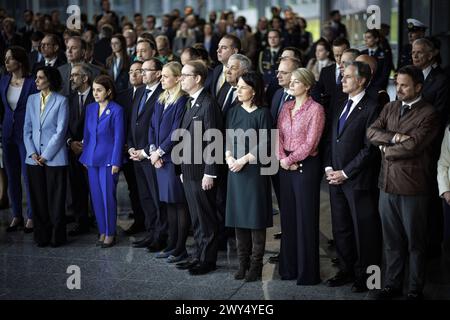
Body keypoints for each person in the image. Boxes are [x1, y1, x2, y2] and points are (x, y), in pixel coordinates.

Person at [367, 65, 440, 300]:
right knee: (391, 241)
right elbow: (371, 132)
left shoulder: (429, 113)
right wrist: (395, 138)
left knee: (415, 243)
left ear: (418, 86)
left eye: (404, 85)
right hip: (386, 185)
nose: (399, 88)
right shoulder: (390, 107)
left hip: (413, 187)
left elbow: (414, 146)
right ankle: (391, 285)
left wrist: (385, 149)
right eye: (397, 84)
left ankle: (414, 290)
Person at [324, 61, 381, 292]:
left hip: (357, 181)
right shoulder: (340, 103)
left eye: (348, 76)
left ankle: (369, 279)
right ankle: (347, 271)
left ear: (362, 80)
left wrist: (345, 173)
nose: (343, 80)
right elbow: (331, 139)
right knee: (341, 228)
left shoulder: (372, 107)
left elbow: (370, 149)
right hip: (335, 178)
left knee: (364, 232)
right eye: (343, 76)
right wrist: (329, 168)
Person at [277, 68, 325, 285]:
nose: (291, 84)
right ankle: (288, 269)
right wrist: (282, 159)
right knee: (288, 219)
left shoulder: (316, 109)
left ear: (307, 86)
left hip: (305, 166)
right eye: (291, 81)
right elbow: (277, 134)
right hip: (285, 165)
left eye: (296, 82)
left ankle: (308, 273)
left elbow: (311, 143)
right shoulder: (286, 106)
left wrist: (289, 160)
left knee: (305, 219)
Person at [175, 60, 223, 275]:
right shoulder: (191, 101)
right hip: (190, 169)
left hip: (202, 170)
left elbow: (214, 140)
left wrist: (210, 172)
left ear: (197, 78)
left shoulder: (208, 103)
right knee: (196, 217)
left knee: (205, 217)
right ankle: (197, 255)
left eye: (185, 75)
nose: (181, 78)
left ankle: (208, 260)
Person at [225, 71, 273, 282]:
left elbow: (265, 143)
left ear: (254, 91)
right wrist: (228, 158)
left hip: (253, 171)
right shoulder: (233, 111)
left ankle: (256, 265)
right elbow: (226, 137)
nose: (239, 90)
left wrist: (243, 160)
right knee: (238, 217)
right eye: (238, 87)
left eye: (243, 87)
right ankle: (242, 263)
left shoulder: (263, 113)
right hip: (234, 171)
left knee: (255, 219)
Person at [147, 62, 188, 262]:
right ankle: (172, 244)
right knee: (168, 204)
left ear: (178, 78)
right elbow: (152, 127)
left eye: (165, 76)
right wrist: (153, 150)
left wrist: (160, 152)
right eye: (161, 76)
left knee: (178, 204)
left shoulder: (181, 100)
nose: (161, 79)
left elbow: (176, 132)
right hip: (159, 159)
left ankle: (181, 248)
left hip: (172, 159)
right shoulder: (161, 98)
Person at [23, 66, 69, 247]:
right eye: (36, 77)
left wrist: (46, 155)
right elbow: (26, 129)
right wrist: (32, 153)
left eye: (40, 78)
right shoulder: (31, 99)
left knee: (56, 200)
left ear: (49, 80)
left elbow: (61, 131)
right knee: (38, 198)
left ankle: (57, 237)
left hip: (55, 158)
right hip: (33, 158)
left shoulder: (61, 101)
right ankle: (41, 236)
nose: (36, 81)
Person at [79, 75, 125, 248]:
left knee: (108, 197)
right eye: (93, 90)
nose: (95, 93)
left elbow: (119, 138)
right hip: (91, 159)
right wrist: (85, 157)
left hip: (108, 159)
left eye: (99, 90)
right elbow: (87, 135)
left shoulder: (117, 110)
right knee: (96, 197)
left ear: (109, 91)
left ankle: (111, 233)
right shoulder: (90, 108)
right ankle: (103, 230)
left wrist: (116, 162)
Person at [127, 58, 166, 252]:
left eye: (146, 70)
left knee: (157, 198)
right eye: (140, 70)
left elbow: (160, 128)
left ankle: (160, 236)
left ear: (158, 73)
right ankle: (150, 233)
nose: (142, 73)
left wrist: (144, 151)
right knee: (145, 198)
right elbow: (133, 121)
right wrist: (130, 147)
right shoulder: (140, 91)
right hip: (136, 155)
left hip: (152, 155)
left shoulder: (163, 93)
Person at [1, 46, 38, 233]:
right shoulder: (4, 80)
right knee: (11, 175)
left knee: (27, 176)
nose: (6, 62)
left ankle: (31, 216)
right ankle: (16, 215)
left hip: (26, 136)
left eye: (10, 59)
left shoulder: (32, 83)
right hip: (7, 134)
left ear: (20, 61)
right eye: (6, 59)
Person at [66, 63, 95, 236]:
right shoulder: (69, 99)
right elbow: (63, 125)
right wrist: (70, 142)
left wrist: (85, 144)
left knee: (95, 189)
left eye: (75, 75)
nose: (71, 78)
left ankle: (101, 222)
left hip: (92, 150)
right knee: (77, 188)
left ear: (85, 78)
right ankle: (81, 222)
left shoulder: (96, 94)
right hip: (73, 150)